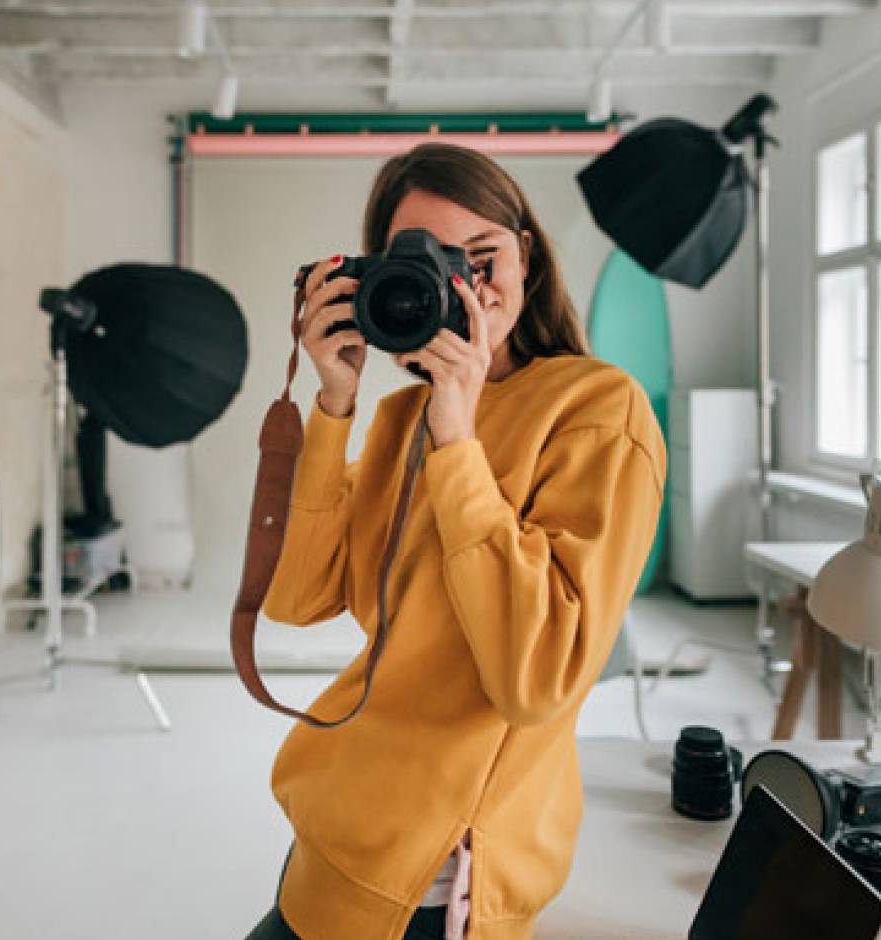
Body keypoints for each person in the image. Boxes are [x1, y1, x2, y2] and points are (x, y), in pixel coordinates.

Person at [248, 142, 665, 940]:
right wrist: (334, 405)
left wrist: (458, 437)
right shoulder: (396, 417)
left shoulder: (598, 407)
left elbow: (536, 679)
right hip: (331, 827)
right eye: (433, 266)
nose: (465, 288)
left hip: (432, 883)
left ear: (528, 258)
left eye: (481, 258)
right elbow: (299, 600)